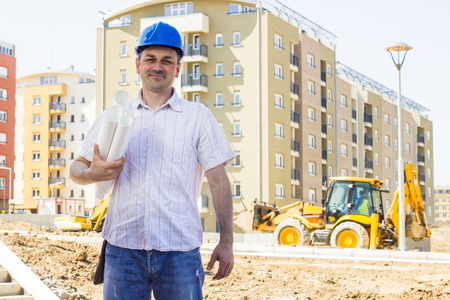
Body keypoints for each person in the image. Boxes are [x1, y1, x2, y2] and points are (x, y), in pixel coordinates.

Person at [70, 21, 236, 300]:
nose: (157, 66)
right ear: (138, 65)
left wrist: (227, 241)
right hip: (123, 250)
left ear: (177, 68)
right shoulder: (114, 116)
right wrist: (91, 174)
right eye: (150, 59)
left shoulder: (198, 117)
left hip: (180, 253)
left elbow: (219, 180)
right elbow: (77, 167)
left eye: (167, 61)